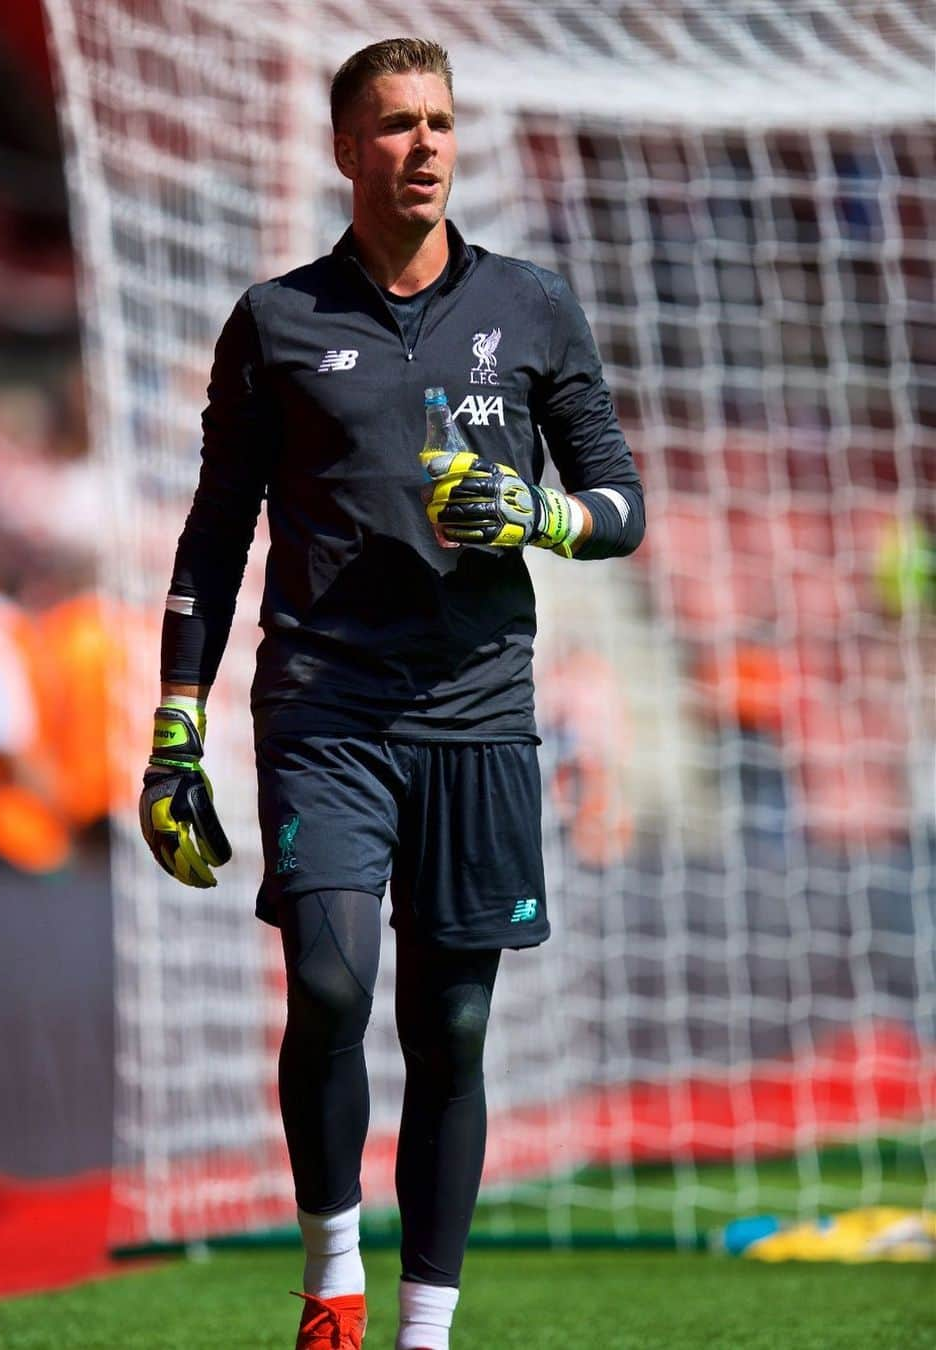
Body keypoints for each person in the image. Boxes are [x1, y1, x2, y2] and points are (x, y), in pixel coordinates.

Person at [139, 37, 645, 1350]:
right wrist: (175, 723)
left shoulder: (532, 307)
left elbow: (623, 504)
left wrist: (539, 512)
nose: (425, 144)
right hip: (323, 705)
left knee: (454, 1023)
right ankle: (331, 1281)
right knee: (328, 983)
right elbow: (212, 536)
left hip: (478, 706)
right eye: (396, 124)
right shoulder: (276, 320)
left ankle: (427, 1327)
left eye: (440, 122)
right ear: (345, 149)